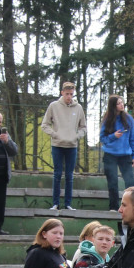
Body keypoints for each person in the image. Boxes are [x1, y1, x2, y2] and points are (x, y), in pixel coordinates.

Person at [41, 82, 87, 210]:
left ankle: (68, 204)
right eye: (67, 94)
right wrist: (55, 134)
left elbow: (83, 127)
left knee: (69, 175)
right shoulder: (54, 106)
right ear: (62, 93)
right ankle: (55, 203)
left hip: (72, 146)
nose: (69, 97)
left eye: (71, 94)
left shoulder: (78, 108)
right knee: (57, 174)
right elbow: (45, 124)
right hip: (57, 144)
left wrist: (76, 136)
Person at [99, 95, 134, 211]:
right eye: (119, 103)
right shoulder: (107, 119)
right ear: (113, 106)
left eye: (122, 103)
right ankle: (113, 207)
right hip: (110, 154)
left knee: (130, 181)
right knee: (112, 181)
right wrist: (113, 136)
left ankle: (132, 205)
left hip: (125, 155)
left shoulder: (129, 119)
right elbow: (102, 139)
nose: (122, 105)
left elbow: (133, 138)